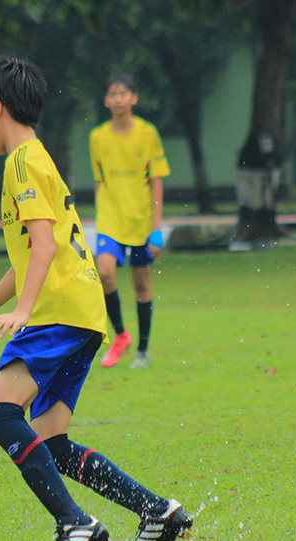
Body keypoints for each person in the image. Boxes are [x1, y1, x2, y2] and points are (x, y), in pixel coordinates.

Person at [0, 56, 191, 541]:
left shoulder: (20, 163)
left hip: (55, 311)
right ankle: (157, 510)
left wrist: (23, 311)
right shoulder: (37, 158)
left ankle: (75, 524)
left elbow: (42, 247)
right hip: (83, 314)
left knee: (0, 415)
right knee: (52, 441)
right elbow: (31, 254)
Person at [89, 74, 170, 369]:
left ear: (134, 98)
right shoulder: (97, 137)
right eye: (113, 93)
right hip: (111, 219)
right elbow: (100, 182)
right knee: (105, 273)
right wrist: (101, 219)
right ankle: (121, 335)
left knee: (141, 284)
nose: (119, 98)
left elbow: (156, 180)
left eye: (124, 92)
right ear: (106, 101)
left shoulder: (148, 134)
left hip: (140, 220)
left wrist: (156, 227)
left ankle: (143, 350)